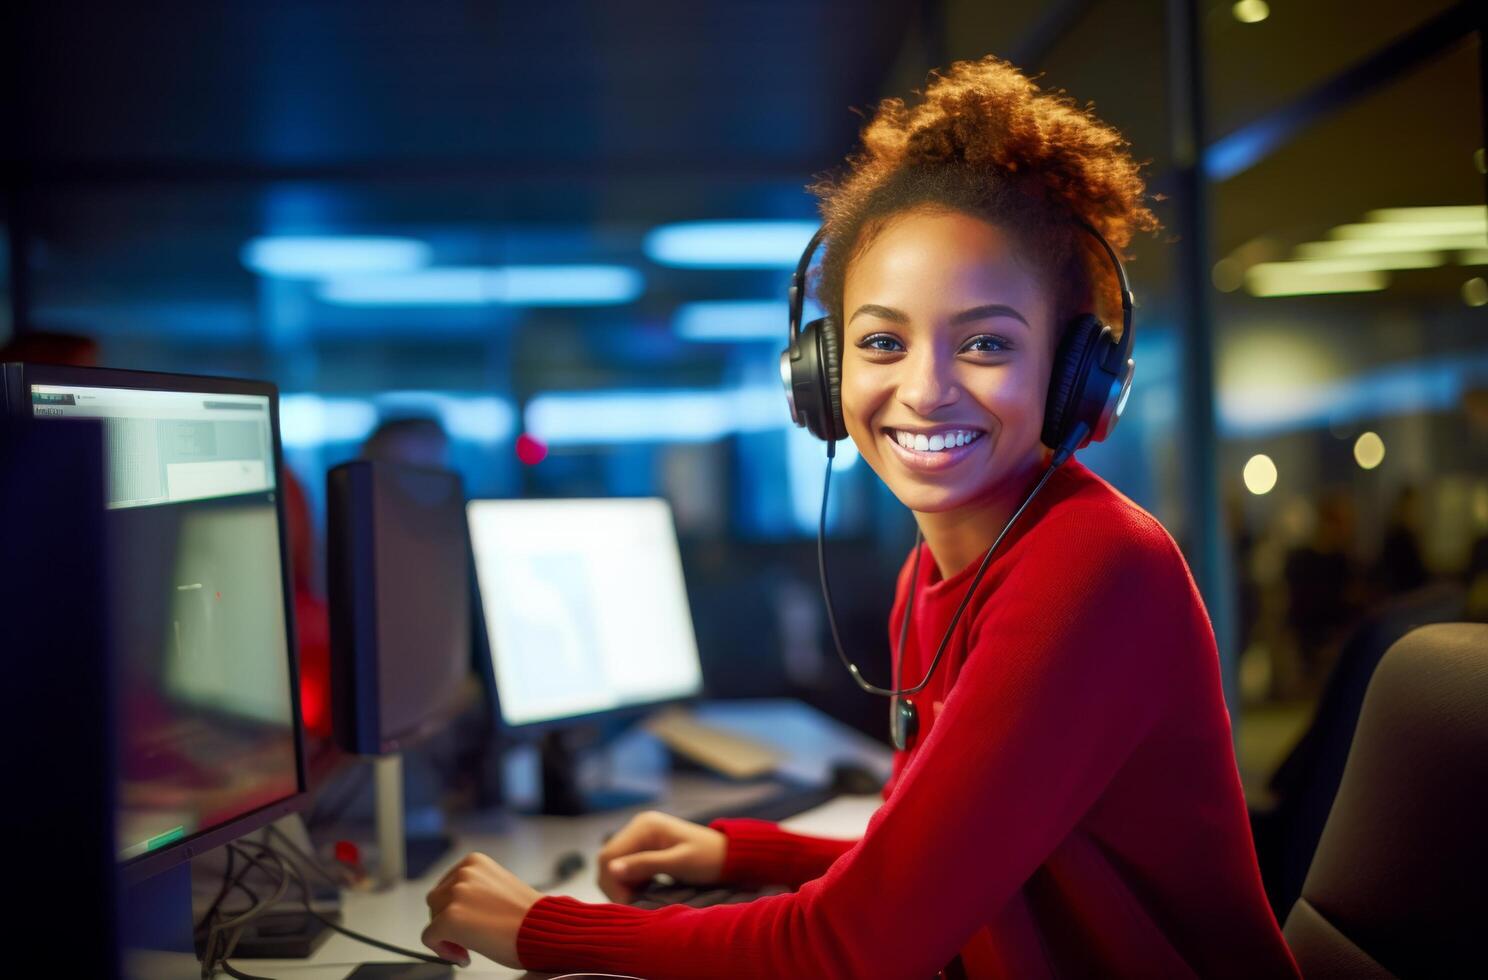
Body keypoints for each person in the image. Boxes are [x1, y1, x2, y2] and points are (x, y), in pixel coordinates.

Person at [420, 56, 1299, 978]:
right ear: (825, 372)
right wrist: (744, 852)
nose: (925, 389)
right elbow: (925, 869)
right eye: (883, 341)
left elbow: (860, 942)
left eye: (988, 343)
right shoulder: (936, 571)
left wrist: (542, 929)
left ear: (1079, 376)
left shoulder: (1094, 567)